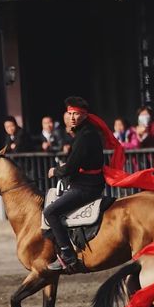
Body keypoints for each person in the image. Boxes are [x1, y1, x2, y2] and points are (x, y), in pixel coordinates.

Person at [44, 96, 105, 271]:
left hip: (86, 187)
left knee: (51, 212)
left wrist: (55, 171)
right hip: (88, 182)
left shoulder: (85, 136)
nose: (72, 117)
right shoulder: (84, 133)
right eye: (70, 113)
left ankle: (67, 254)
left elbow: (71, 168)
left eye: (76, 114)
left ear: (85, 115)